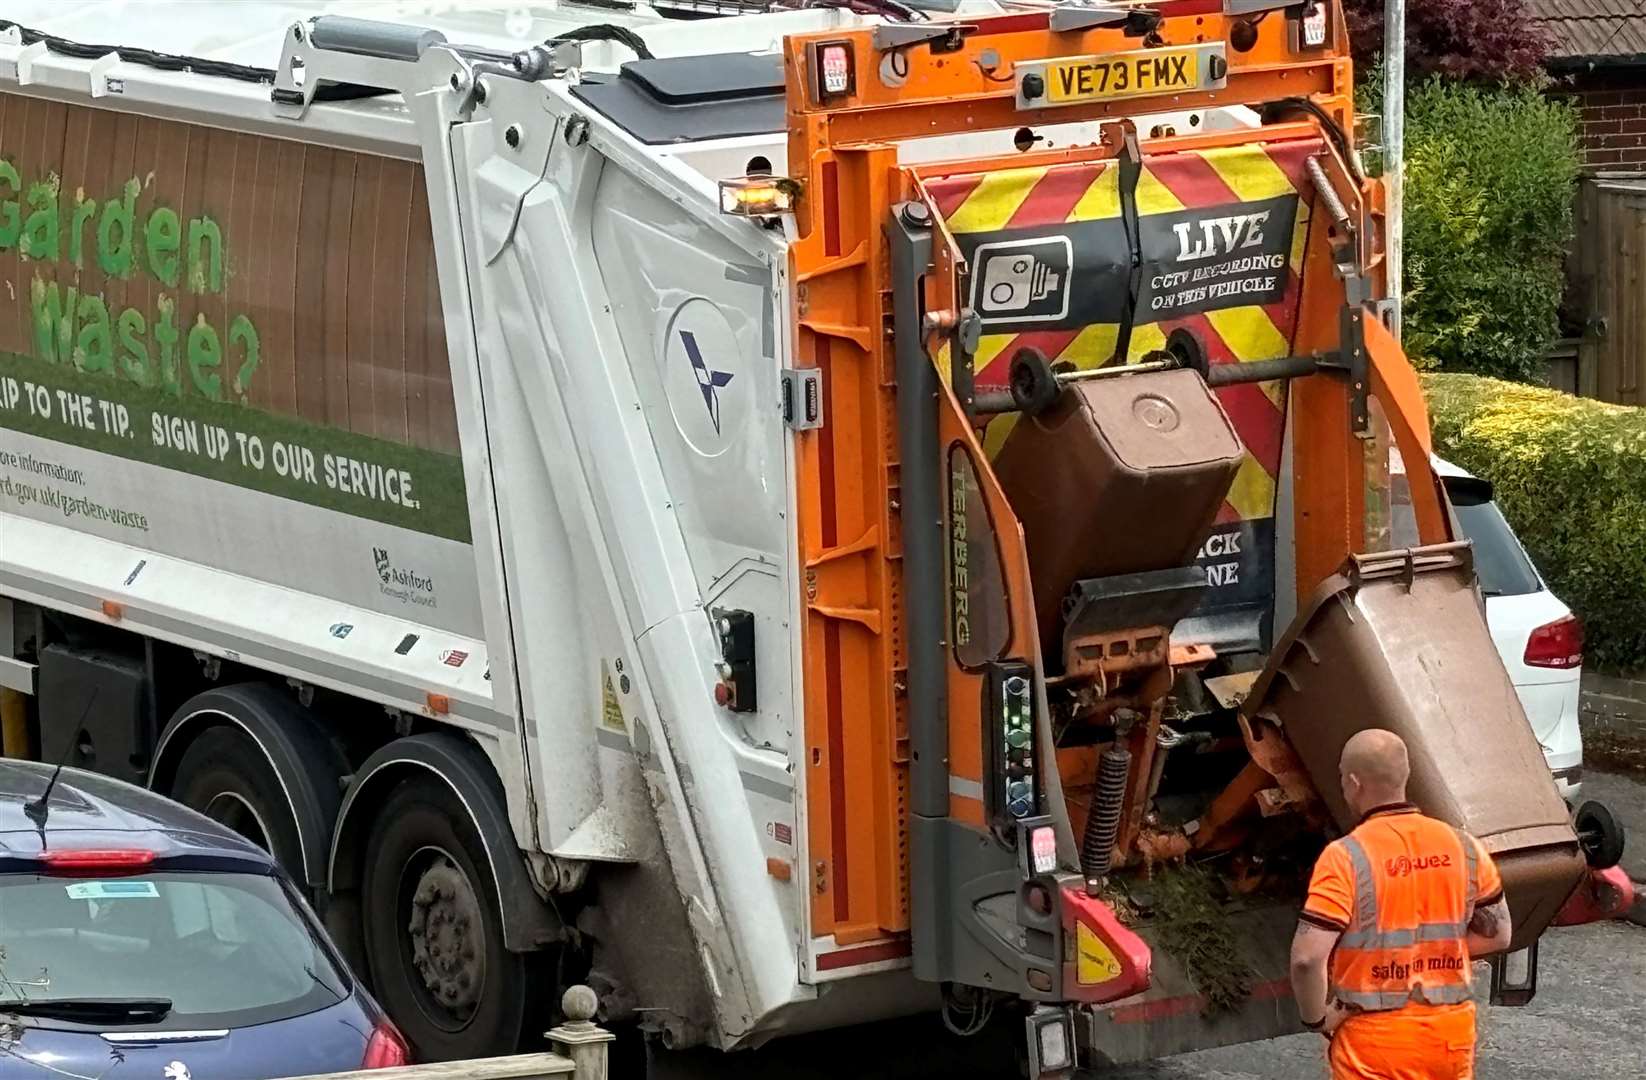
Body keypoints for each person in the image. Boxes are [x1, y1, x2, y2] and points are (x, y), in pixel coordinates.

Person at [1290, 729, 1512, 1080]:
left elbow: (1306, 959)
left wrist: (1317, 1018)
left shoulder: (1345, 857)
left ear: (1353, 783)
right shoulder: (1463, 846)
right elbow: (1499, 935)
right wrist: (1425, 957)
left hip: (1376, 1046)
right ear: (1404, 776)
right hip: (1450, 1039)